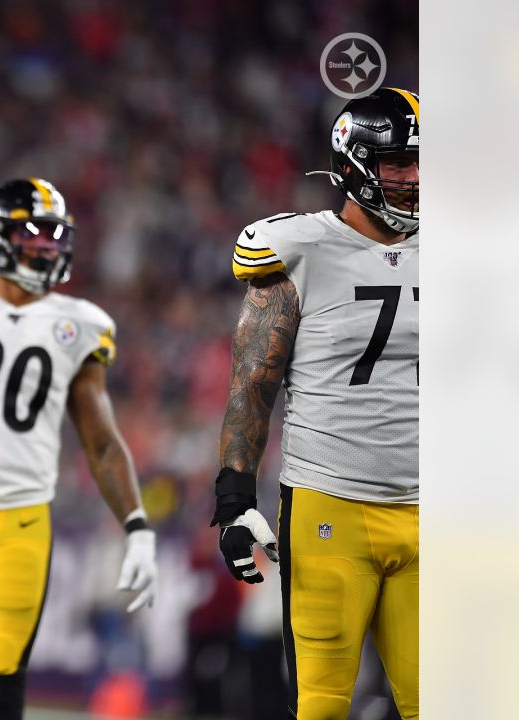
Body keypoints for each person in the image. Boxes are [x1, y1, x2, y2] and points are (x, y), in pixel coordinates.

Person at [212, 87, 420, 719]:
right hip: (331, 503)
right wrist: (233, 501)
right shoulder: (299, 248)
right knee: (323, 706)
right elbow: (253, 381)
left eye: (421, 163)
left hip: (431, 508)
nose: (413, 178)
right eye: (397, 164)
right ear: (356, 165)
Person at [0, 179, 160, 720]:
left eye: (55, 236)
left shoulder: (80, 323)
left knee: (2, 668)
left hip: (22, 518)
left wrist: (138, 525)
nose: (46, 247)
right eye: (32, 234)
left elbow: (101, 442)